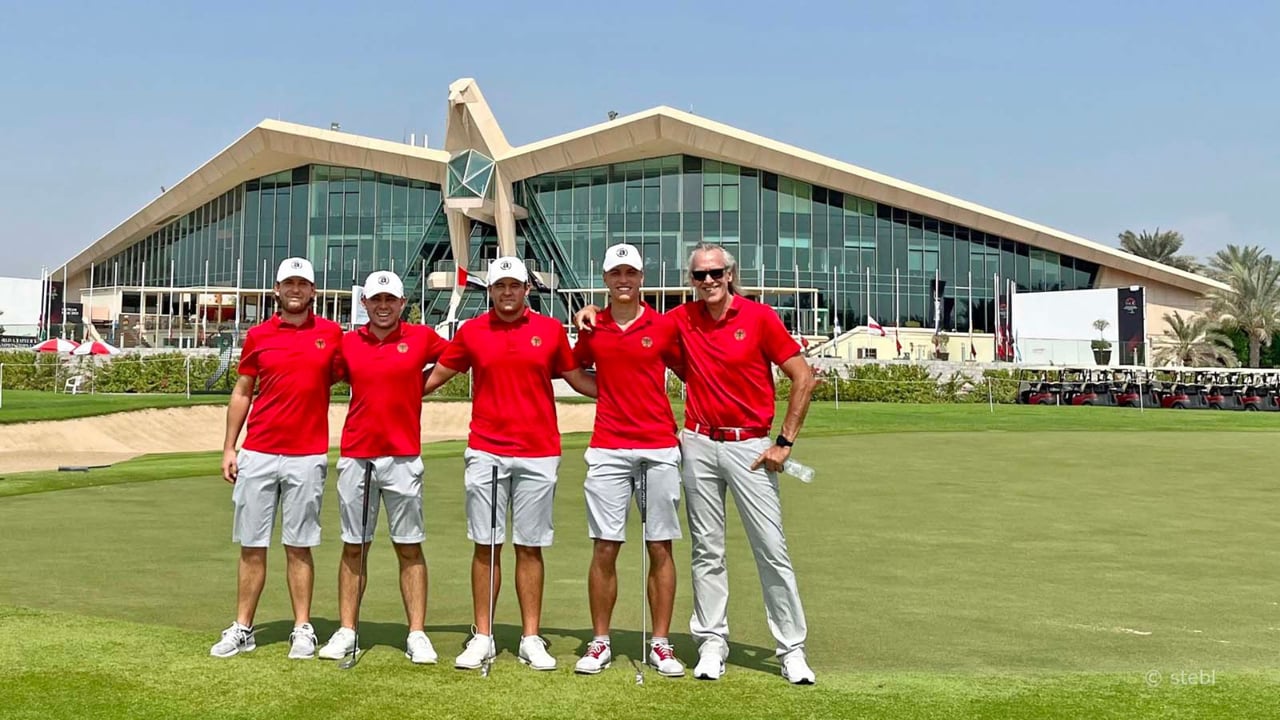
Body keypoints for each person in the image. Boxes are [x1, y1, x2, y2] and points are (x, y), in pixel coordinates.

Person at [575, 243, 818, 685]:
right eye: (700, 275)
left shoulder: (759, 317)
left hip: (750, 445)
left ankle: (791, 648)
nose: (708, 281)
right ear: (691, 280)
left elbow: (803, 376)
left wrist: (784, 442)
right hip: (698, 443)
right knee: (707, 550)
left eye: (715, 273)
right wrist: (591, 311)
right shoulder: (679, 320)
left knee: (771, 548)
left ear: (730, 274)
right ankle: (711, 641)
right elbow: (626, 321)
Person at [422, 256, 598, 672]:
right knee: (486, 545)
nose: (506, 292)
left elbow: (578, 380)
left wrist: (630, 390)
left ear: (526, 289)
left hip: (538, 452)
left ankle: (530, 638)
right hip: (487, 451)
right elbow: (436, 376)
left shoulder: (550, 330)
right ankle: (483, 635)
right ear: (490, 291)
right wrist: (384, 390)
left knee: (529, 547)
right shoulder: (472, 331)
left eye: (513, 285)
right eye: (499, 286)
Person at [211, 257, 343, 660]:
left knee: (299, 546)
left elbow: (359, 373)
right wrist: (230, 446)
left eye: (302, 284)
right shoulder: (258, 335)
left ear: (313, 291)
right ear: (277, 289)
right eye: (289, 283)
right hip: (259, 452)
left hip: (307, 454)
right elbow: (242, 391)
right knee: (252, 545)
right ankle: (243, 627)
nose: (295, 290)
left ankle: (302, 628)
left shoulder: (331, 334)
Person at [316, 271, 449, 665]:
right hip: (357, 455)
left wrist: (420, 386)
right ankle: (347, 630)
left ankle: (417, 633)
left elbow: (456, 358)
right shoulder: (348, 343)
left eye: (391, 299)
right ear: (365, 303)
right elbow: (324, 375)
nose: (384, 306)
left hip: (403, 456)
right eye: (376, 299)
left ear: (402, 303)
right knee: (354, 546)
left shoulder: (421, 337)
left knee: (409, 546)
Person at [571, 244, 686, 677]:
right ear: (605, 279)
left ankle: (661, 643)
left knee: (660, 544)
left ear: (641, 278)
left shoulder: (663, 326)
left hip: (658, 445)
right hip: (609, 446)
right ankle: (600, 640)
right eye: (616, 273)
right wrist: (608, 394)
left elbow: (690, 373)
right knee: (605, 545)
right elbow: (574, 370)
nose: (624, 280)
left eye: (630, 273)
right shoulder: (592, 326)